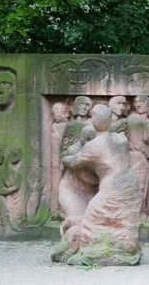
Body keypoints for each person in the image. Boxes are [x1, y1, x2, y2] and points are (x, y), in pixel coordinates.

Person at [53, 105, 141, 265]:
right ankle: (125, 249)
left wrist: (65, 157)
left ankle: (90, 254)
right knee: (124, 220)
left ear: (94, 121)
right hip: (130, 182)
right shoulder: (121, 139)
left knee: (91, 219)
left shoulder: (93, 145)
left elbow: (74, 162)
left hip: (113, 186)